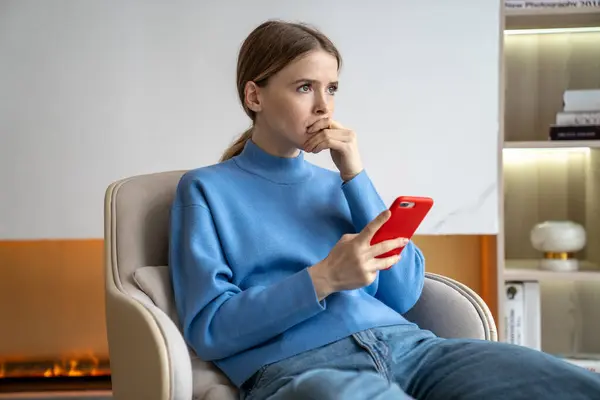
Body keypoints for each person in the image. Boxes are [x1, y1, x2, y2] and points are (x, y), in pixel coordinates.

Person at [169, 20, 600, 400]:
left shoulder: (339, 184)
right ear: (254, 95)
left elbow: (404, 292)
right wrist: (323, 279)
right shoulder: (206, 190)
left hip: (413, 351)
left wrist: (355, 176)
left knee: (565, 382)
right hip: (301, 370)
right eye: (305, 88)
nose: (324, 106)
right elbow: (211, 329)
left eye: (331, 88)